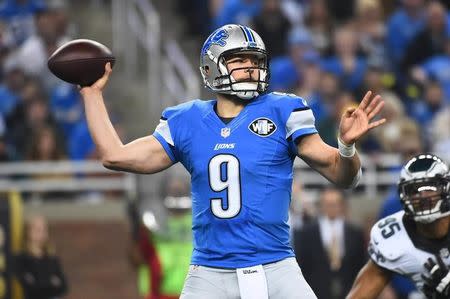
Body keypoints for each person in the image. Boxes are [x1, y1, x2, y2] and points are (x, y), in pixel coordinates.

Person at [79, 24, 385, 299]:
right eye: (240, 61)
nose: (250, 68)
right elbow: (114, 156)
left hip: (275, 266)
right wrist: (92, 95)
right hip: (210, 273)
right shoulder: (187, 119)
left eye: (255, 61)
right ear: (212, 67)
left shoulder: (282, 110)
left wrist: (345, 146)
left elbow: (343, 176)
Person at [346, 154, 450, 299]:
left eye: (430, 187)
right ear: (403, 195)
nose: (423, 196)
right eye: (414, 190)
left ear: (446, 188)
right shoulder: (393, 236)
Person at [294, 187, 366, 299]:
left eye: (335, 204)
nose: (331, 208)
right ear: (321, 205)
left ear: (342, 205)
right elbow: (302, 264)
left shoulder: (355, 232)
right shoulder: (306, 232)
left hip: (348, 292)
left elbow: (360, 264)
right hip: (316, 292)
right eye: (328, 204)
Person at [14, 215, 68, 299]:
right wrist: (51, 283)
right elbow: (31, 289)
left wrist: (39, 282)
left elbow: (64, 287)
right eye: (37, 229)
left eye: (44, 229)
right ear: (28, 231)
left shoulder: (52, 258)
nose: (42, 233)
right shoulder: (21, 258)